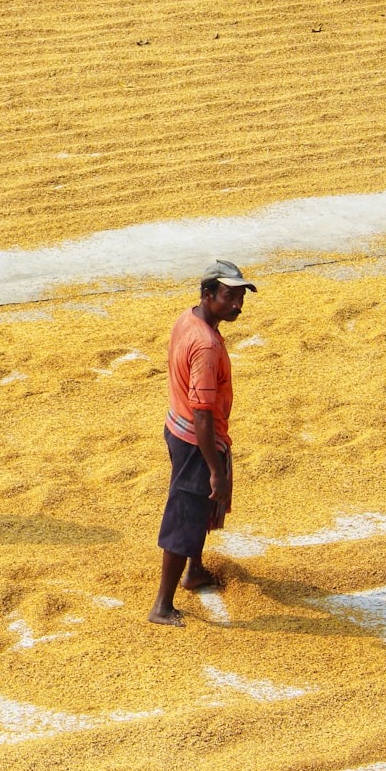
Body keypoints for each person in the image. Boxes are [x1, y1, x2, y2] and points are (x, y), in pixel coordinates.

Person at [149, 260, 257, 626]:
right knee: (186, 512)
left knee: (197, 509)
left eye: (241, 297)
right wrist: (215, 470)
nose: (237, 305)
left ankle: (195, 570)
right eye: (230, 296)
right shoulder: (207, 345)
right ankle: (162, 605)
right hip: (196, 440)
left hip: (176, 426)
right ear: (208, 294)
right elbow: (203, 413)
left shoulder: (188, 319)